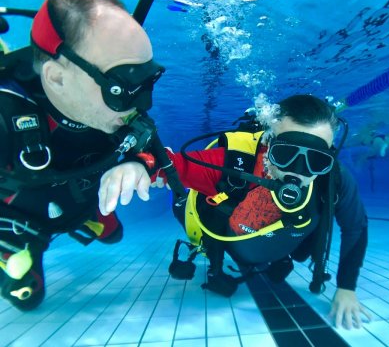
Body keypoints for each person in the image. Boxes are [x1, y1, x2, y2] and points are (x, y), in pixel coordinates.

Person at [99, 94, 372, 329]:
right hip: (226, 236)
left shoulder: (333, 180)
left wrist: (347, 287)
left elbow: (355, 226)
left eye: (316, 160)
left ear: (329, 158)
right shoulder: (234, 163)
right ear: (268, 143)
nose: (297, 172)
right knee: (184, 204)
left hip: (278, 244)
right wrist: (139, 164)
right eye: (286, 154)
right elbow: (168, 162)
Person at [0, 0, 166, 310]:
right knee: (27, 298)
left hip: (84, 198)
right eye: (120, 87)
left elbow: (150, 145)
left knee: (114, 235)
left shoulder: (115, 108)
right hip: (23, 224)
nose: (143, 103)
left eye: (146, 82)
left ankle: (91, 214)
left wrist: (138, 163)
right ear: (57, 78)